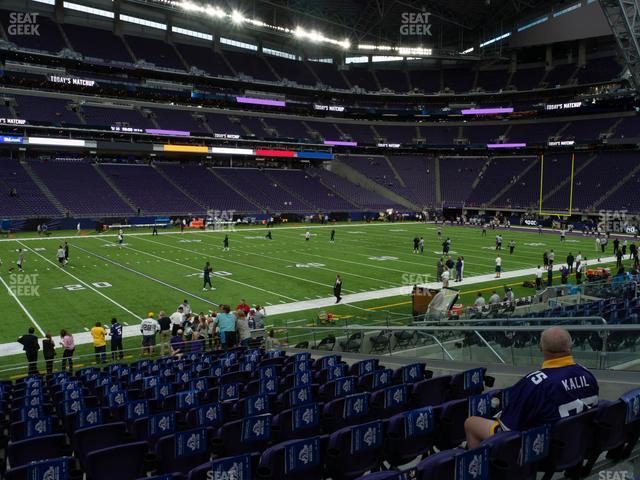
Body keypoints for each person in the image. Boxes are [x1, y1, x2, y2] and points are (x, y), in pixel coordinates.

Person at [464, 327, 599, 449]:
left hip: (542, 447)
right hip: (576, 441)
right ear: (571, 346)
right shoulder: (588, 374)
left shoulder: (534, 382)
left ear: (541, 348)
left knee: (471, 422)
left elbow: (508, 427)